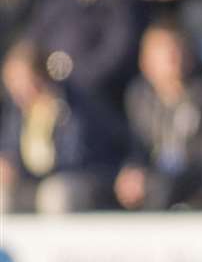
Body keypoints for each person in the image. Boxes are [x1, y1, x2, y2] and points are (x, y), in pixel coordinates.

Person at [0, 38, 124, 213]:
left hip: (81, 178)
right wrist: (9, 164)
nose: (17, 89)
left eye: (22, 80)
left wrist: (23, 173)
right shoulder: (17, 110)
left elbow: (77, 155)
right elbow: (9, 147)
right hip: (32, 182)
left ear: (40, 76)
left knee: (55, 194)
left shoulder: (73, 104)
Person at [116, 20, 202, 211]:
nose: (172, 58)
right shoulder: (138, 98)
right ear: (145, 61)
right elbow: (134, 147)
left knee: (162, 188)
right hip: (151, 180)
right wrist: (131, 172)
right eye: (162, 52)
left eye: (176, 50)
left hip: (191, 184)